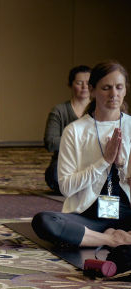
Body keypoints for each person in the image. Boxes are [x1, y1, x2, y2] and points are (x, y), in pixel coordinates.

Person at [32, 61, 131, 248]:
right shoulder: (75, 131)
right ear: (92, 91)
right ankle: (113, 240)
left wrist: (121, 165)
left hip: (127, 213)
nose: (114, 94)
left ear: (125, 89)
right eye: (106, 88)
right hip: (90, 216)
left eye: (119, 87)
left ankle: (95, 238)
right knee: (44, 221)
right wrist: (104, 162)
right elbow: (67, 188)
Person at [43, 65, 92, 193]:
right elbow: (51, 143)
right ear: (70, 85)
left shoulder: (99, 109)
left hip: (92, 161)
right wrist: (81, 140)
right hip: (66, 162)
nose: (84, 87)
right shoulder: (59, 111)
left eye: (88, 83)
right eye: (79, 83)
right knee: (54, 175)